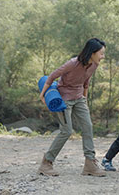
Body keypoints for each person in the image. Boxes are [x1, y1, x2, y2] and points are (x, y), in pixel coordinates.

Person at [37, 38, 106, 177]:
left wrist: (84, 99)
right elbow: (52, 76)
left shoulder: (94, 64)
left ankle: (90, 164)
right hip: (64, 99)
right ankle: (46, 163)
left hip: (79, 98)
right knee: (66, 131)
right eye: (101, 53)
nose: (103, 57)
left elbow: (86, 82)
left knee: (88, 126)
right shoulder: (73, 63)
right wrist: (42, 96)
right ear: (92, 52)